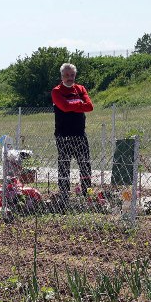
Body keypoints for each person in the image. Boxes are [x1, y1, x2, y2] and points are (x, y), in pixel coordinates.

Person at [51, 63, 94, 204]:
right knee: (64, 166)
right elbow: (63, 107)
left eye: (72, 75)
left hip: (80, 134)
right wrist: (79, 104)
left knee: (85, 165)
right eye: (67, 75)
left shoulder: (80, 89)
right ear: (62, 76)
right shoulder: (57, 91)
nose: (70, 78)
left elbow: (90, 106)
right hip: (63, 135)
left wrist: (72, 106)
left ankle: (87, 194)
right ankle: (64, 195)